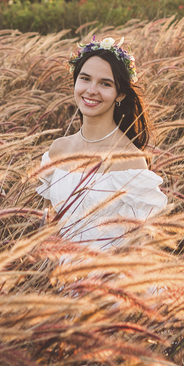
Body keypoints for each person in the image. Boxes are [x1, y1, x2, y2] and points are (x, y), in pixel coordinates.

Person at [36, 36, 167, 250]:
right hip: (57, 269)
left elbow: (138, 246)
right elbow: (47, 227)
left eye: (105, 83)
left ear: (120, 94)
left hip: (107, 270)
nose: (91, 90)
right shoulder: (58, 149)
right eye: (85, 79)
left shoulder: (129, 160)